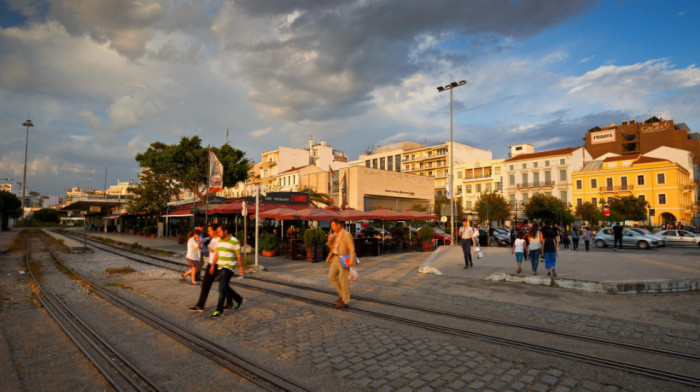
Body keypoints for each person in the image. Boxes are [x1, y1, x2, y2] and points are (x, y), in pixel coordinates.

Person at [209, 225, 245, 319]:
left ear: (225, 231)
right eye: (217, 232)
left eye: (219, 232)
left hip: (229, 267)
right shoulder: (220, 241)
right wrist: (213, 265)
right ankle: (238, 298)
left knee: (221, 288)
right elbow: (217, 253)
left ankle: (219, 310)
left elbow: (238, 256)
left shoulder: (234, 241)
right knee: (225, 287)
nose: (218, 234)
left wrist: (241, 267)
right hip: (220, 267)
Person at [190, 224, 221, 313]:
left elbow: (218, 254)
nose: (208, 232)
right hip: (211, 264)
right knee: (205, 285)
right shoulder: (211, 239)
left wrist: (213, 265)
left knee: (223, 286)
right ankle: (200, 305)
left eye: (210, 231)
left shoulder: (220, 240)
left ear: (215, 231)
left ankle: (234, 299)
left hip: (218, 265)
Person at [326, 219, 356, 308]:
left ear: (339, 225)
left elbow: (351, 248)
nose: (332, 228)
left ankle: (345, 300)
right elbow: (332, 247)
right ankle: (341, 294)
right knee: (331, 276)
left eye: (333, 226)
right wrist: (330, 241)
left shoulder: (346, 235)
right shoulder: (335, 235)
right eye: (332, 226)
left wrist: (351, 260)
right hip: (335, 257)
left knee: (344, 280)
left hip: (344, 258)